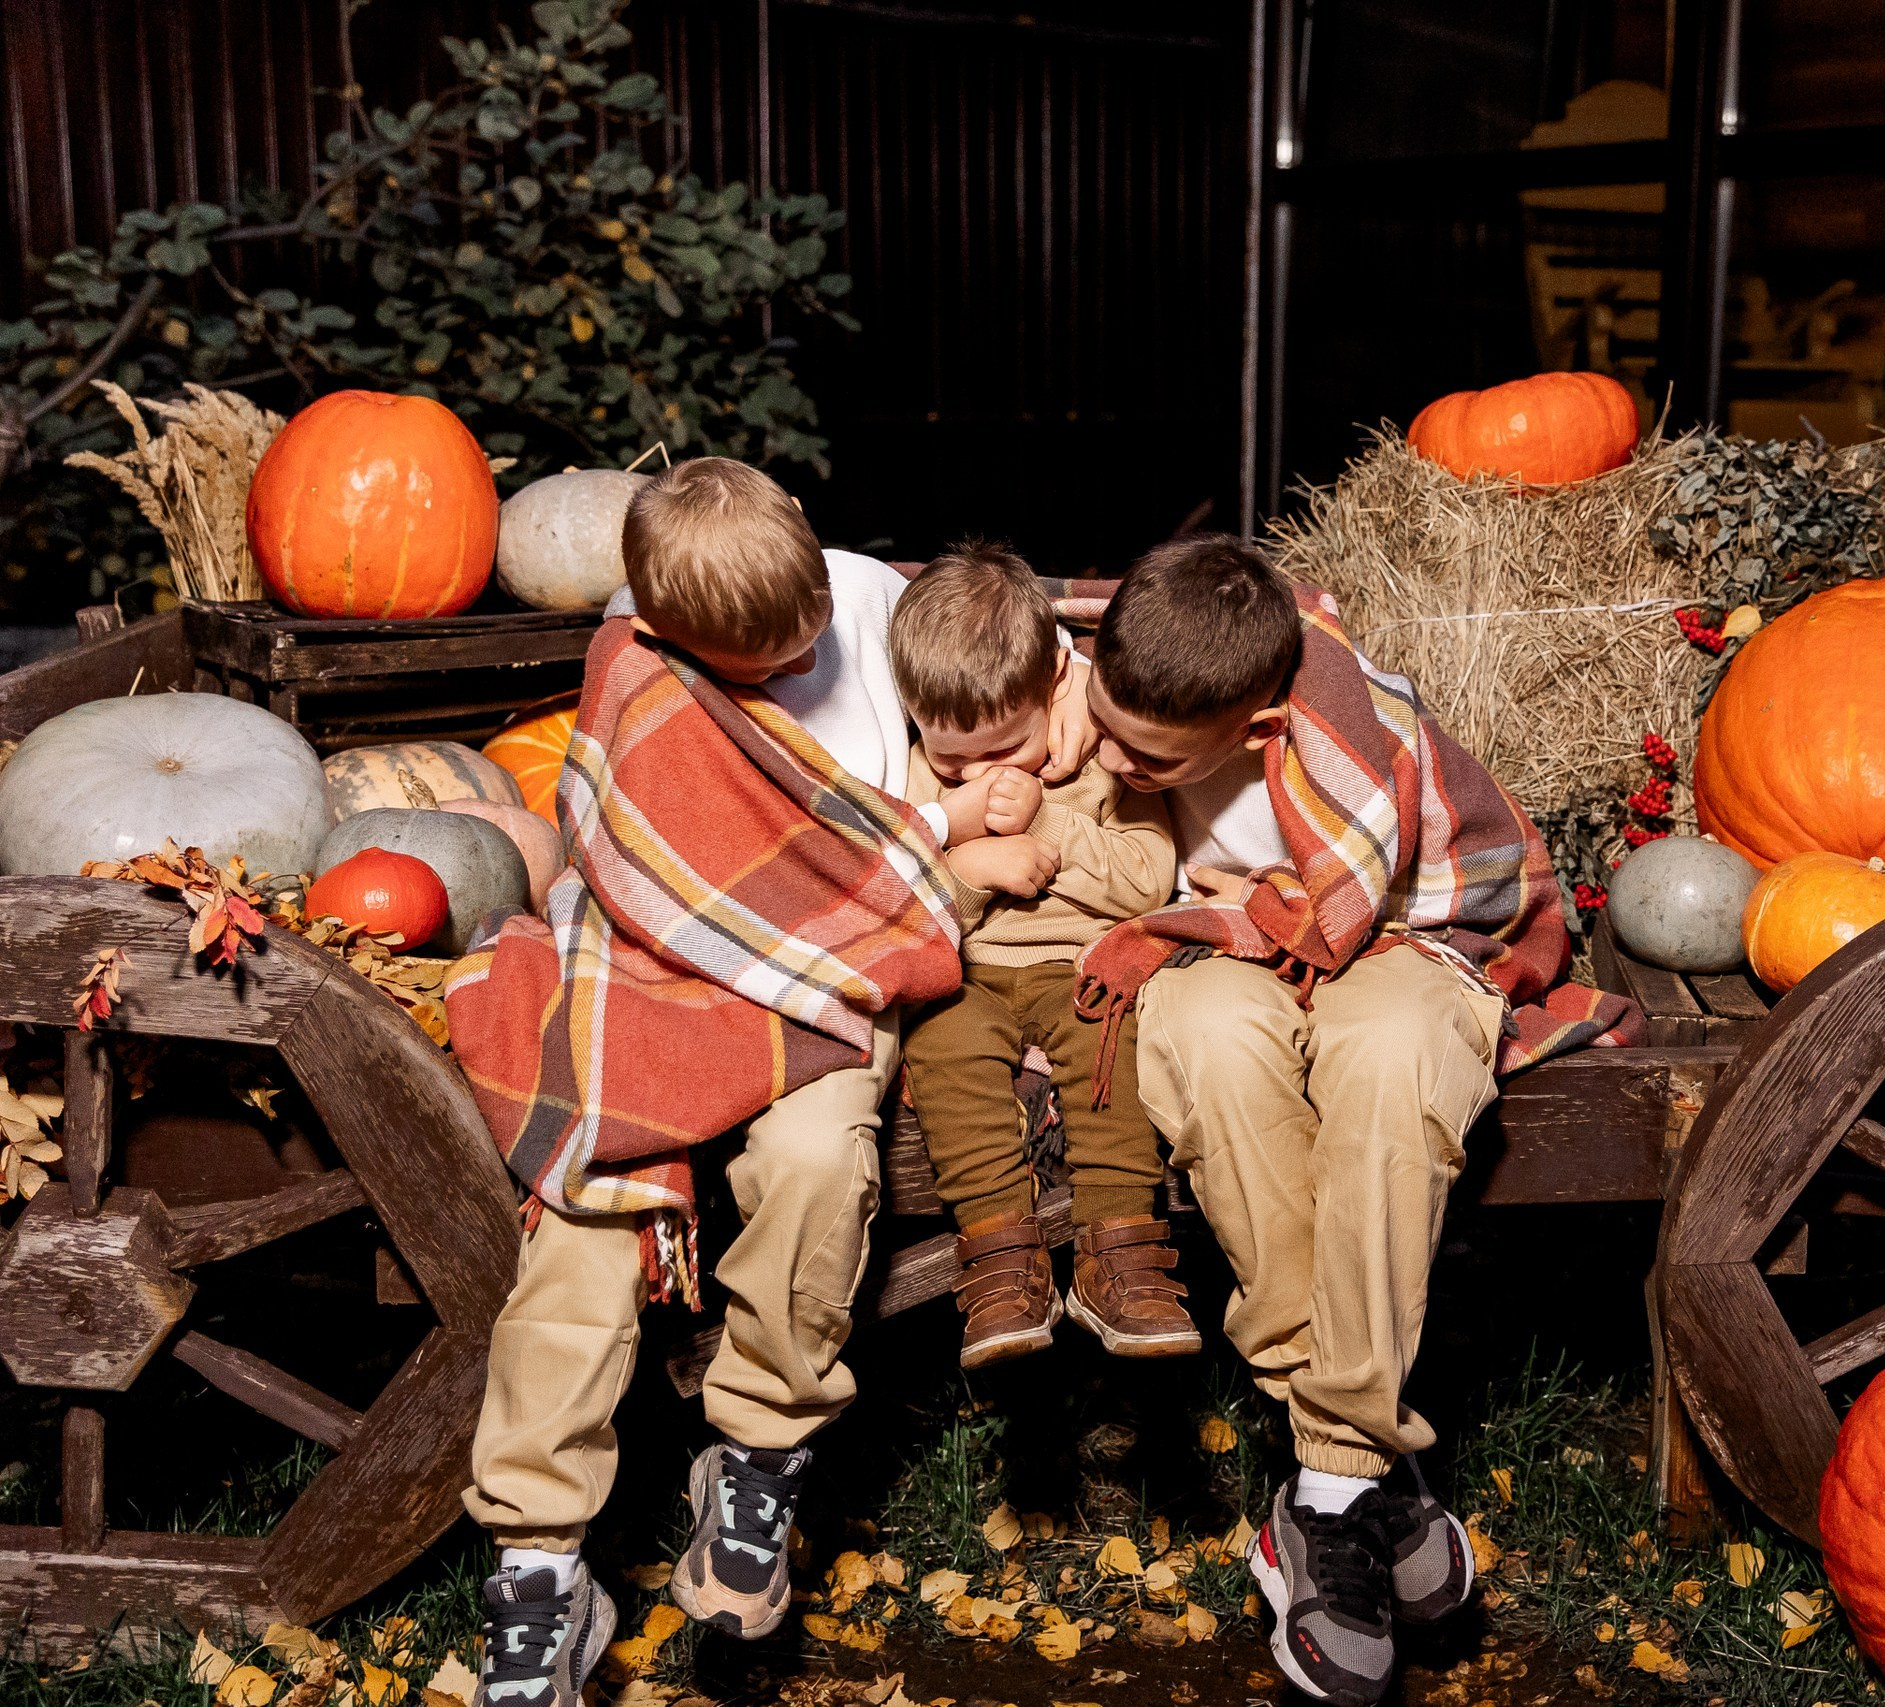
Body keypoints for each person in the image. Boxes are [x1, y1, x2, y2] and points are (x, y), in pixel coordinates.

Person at [448, 461, 1093, 1707]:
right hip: (655, 962)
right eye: (752, 656)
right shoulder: (637, 669)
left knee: (817, 1161)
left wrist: (1067, 702)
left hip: (831, 971)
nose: (795, 655)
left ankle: (756, 1452)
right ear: (661, 621)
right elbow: (656, 840)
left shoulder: (860, 598)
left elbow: (988, 658)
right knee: (590, 1217)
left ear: (809, 541)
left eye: (799, 631)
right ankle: (539, 1565)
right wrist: (954, 842)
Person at [1077, 536, 1638, 1707]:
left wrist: (1238, 911)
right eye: (1104, 719)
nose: (1109, 756)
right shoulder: (1136, 656)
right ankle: (1363, 1476)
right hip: (1221, 954)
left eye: (1146, 755)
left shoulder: (1345, 725)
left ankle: (1320, 1489)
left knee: (1392, 1056)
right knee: (1217, 1050)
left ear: (1255, 733)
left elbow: (1351, 904)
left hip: (1397, 934)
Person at [888, 545, 1197, 1370]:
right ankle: (998, 1257)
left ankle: (1120, 1250)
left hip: (1076, 965)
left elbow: (1147, 880)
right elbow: (895, 906)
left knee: (1111, 1038)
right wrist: (967, 867)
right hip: (970, 973)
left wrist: (1050, 826)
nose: (976, 776)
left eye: (1003, 750)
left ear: (1052, 686)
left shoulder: (1100, 759)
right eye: (951, 757)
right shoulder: (919, 778)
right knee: (941, 1042)